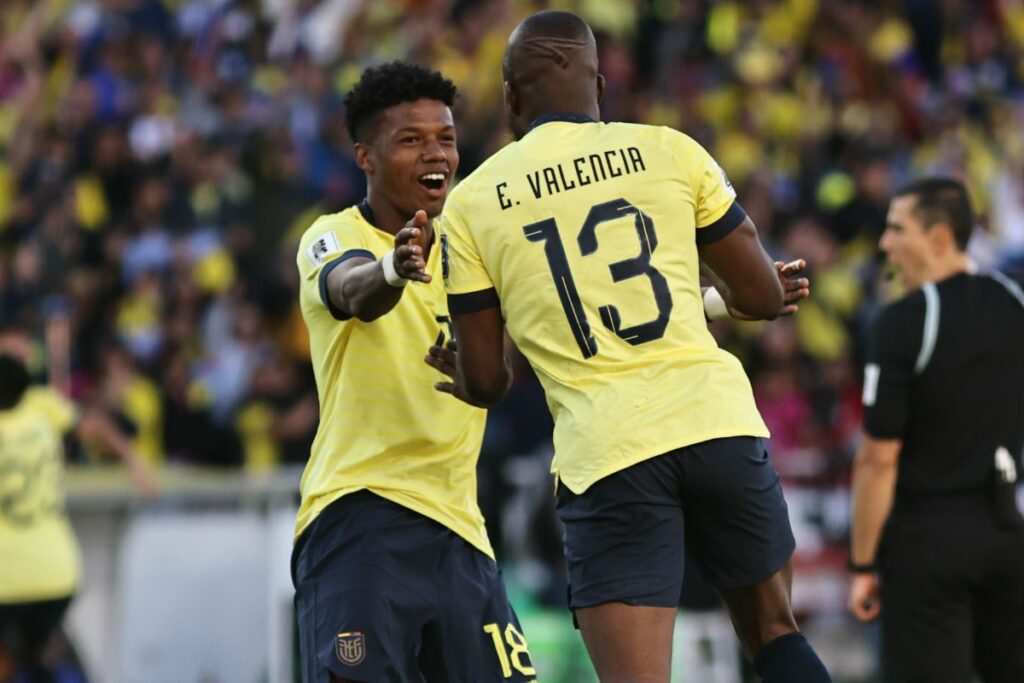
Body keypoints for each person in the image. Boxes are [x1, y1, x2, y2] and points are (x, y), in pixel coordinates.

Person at [436, 10, 831, 683]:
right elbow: (765, 297)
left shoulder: (473, 203)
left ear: (509, 97)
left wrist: (470, 375)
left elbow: (485, 378)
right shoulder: (669, 149)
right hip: (717, 423)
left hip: (609, 450)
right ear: (600, 87)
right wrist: (724, 298)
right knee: (773, 633)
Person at [290, 62, 537, 683]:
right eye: (411, 140)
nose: (436, 154)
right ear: (365, 157)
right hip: (360, 517)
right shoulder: (331, 236)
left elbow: (563, 320)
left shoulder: (475, 249)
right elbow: (352, 288)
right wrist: (396, 269)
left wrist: (718, 303)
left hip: (461, 528)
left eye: (446, 138)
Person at [847, 177, 1024, 682]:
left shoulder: (902, 321)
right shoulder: (1015, 301)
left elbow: (878, 459)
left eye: (896, 229)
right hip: (1007, 531)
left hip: (927, 543)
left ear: (939, 239)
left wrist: (862, 565)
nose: (885, 244)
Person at [0, 333, 156, 682]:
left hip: (6, 577)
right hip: (54, 570)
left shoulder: (39, 404)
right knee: (37, 658)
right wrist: (135, 462)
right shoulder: (41, 405)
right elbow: (93, 424)